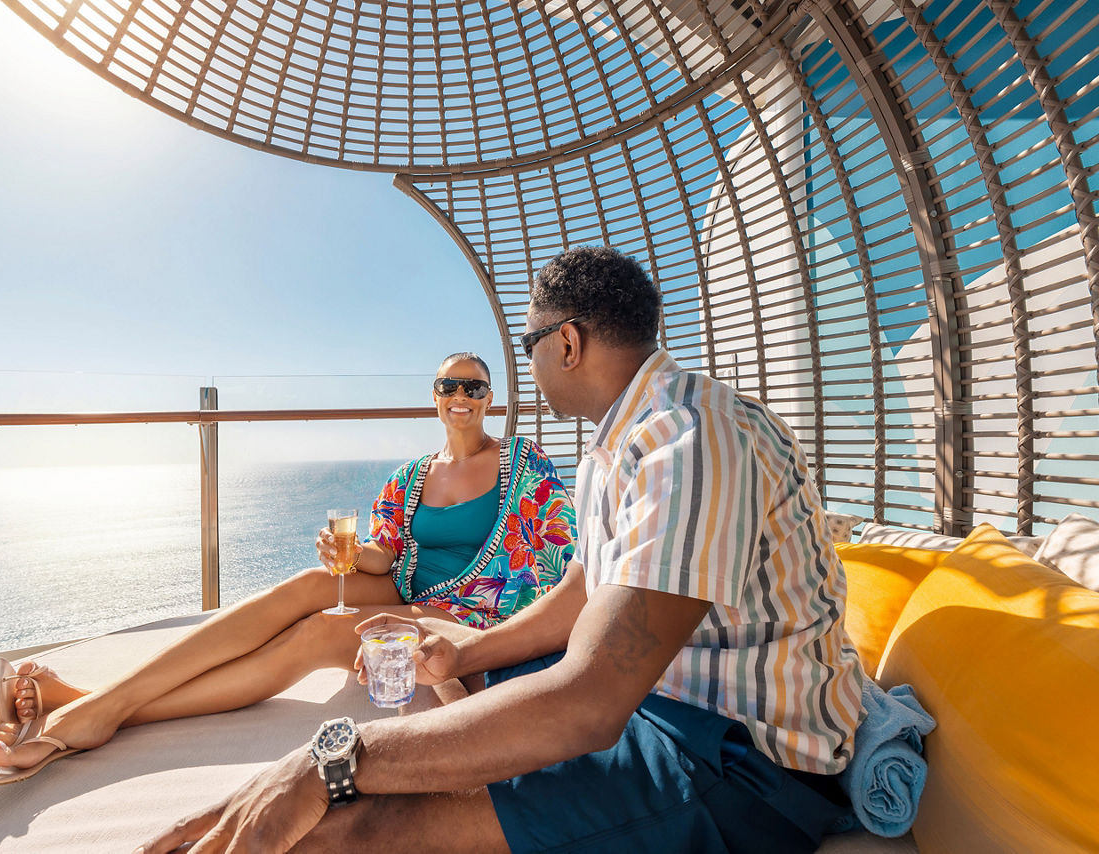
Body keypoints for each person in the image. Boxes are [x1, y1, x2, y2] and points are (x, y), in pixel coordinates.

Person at [137, 246, 866, 853]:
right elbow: (584, 591)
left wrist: (329, 758)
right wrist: (468, 654)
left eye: (528, 348)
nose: (521, 372)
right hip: (659, 700)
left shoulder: (690, 442)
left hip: (742, 762)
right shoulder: (618, 445)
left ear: (567, 343)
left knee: (349, 825)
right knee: (417, 733)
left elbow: (589, 704)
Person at [0, 352, 575, 785]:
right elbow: (385, 552)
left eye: (474, 387)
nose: (461, 397)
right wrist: (347, 558)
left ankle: (88, 712)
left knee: (313, 635)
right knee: (307, 586)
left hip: (473, 614)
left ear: (491, 398)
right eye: (450, 386)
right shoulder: (411, 476)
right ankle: (97, 705)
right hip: (407, 582)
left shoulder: (524, 460)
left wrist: (483, 633)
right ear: (434, 397)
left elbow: (559, 556)